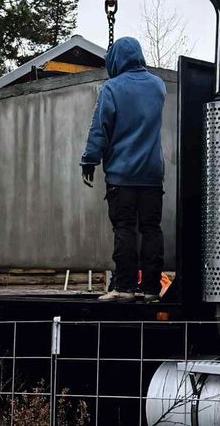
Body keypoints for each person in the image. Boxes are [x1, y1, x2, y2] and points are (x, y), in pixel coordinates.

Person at [80, 37, 166, 303]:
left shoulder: (112, 88)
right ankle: (151, 289)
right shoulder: (158, 86)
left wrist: (89, 160)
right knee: (151, 229)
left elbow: (100, 128)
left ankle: (125, 287)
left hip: (122, 176)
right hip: (152, 175)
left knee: (125, 229)